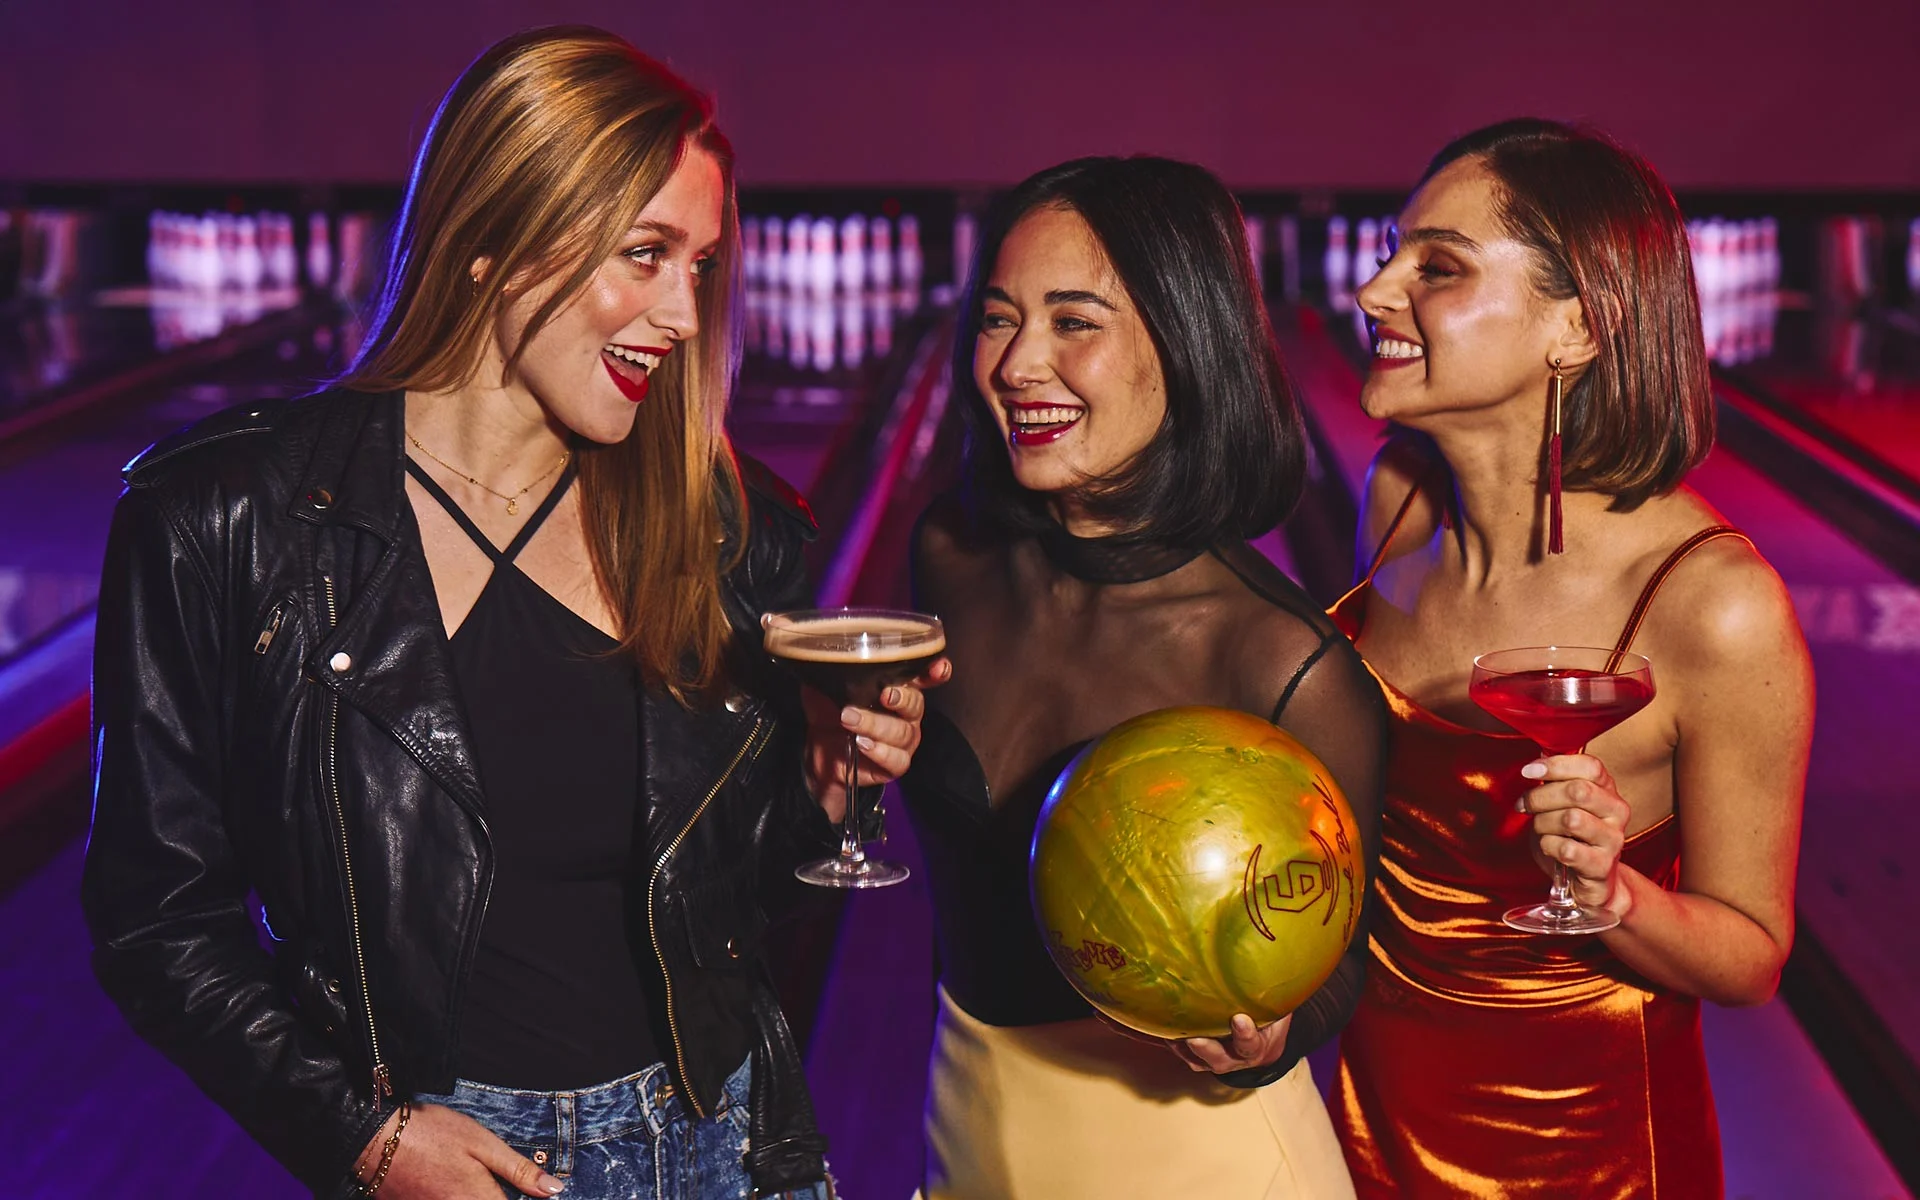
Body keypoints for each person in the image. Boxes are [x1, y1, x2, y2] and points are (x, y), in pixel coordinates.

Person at [81, 27, 941, 1200]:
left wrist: (827, 789)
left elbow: (740, 914)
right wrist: (364, 1140)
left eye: (699, 264)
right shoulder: (225, 520)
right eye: (644, 254)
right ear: (493, 239)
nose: (684, 313)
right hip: (456, 1161)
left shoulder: (734, 531)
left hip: (728, 1144)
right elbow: (156, 922)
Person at [1327, 119, 1813, 1198]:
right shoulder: (1399, 501)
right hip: (1371, 1114)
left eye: (1437, 267)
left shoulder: (1711, 607)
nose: (1373, 293)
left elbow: (1752, 953)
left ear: (1576, 330)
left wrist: (1618, 895)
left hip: (1582, 1153)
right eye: (1389, 254)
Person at [900, 156, 1386, 1200]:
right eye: (998, 317)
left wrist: (1271, 1035)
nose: (1020, 362)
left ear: (1186, 345)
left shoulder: (1279, 664)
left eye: (1075, 322)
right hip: (968, 1138)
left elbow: (1344, 958)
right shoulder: (951, 553)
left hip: (1198, 1167)